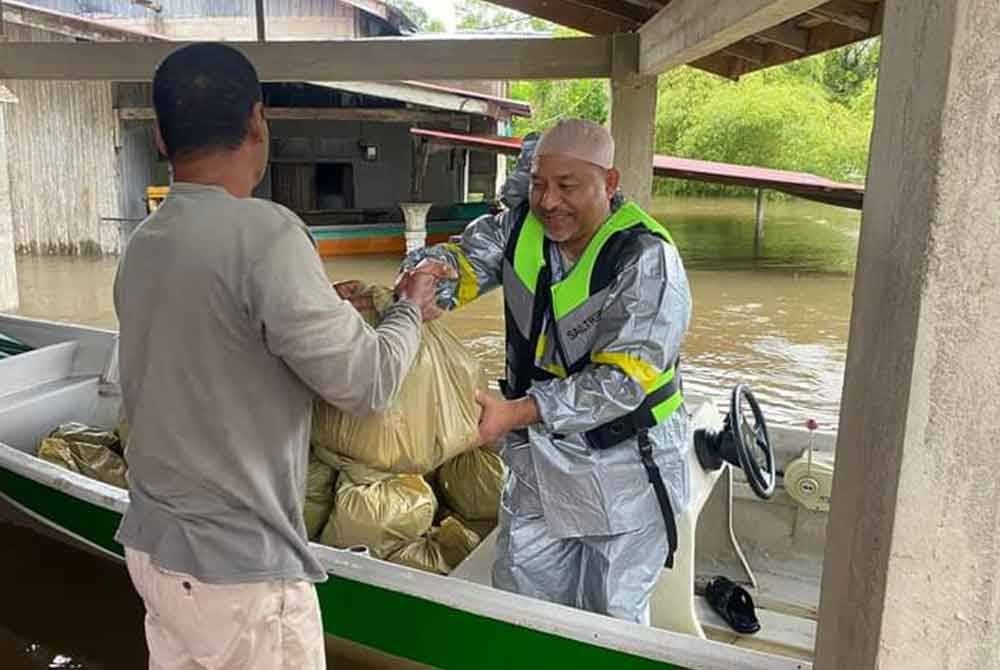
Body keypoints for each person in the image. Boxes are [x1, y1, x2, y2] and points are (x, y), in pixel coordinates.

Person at [114, 43, 441, 670]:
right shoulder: (268, 233)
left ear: (160, 134)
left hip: (154, 551)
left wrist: (320, 304)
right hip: (239, 575)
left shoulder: (143, 243)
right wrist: (408, 309)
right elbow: (368, 384)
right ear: (258, 123)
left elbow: (216, 342)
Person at [400, 118, 693, 623]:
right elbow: (462, 262)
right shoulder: (519, 227)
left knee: (609, 621)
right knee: (521, 607)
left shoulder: (647, 259)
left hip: (626, 468)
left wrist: (514, 412)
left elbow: (622, 381)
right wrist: (425, 275)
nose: (549, 201)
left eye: (567, 186)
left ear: (610, 183)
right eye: (538, 184)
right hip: (539, 462)